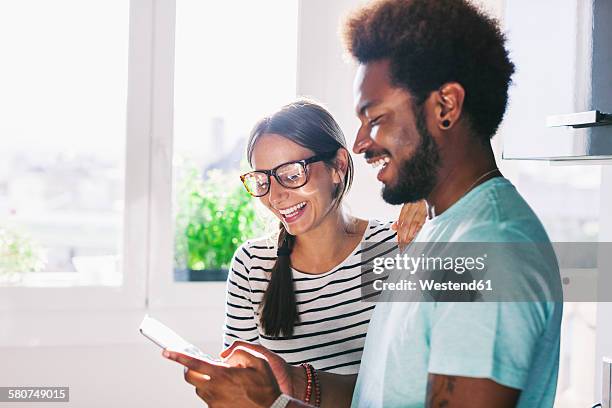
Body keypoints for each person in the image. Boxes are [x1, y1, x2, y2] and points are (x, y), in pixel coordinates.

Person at [163, 0, 563, 407]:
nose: (359, 144)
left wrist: (276, 405)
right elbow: (383, 393)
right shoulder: (438, 234)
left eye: (375, 118)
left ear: (445, 107)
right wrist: (296, 383)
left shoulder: (488, 248)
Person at [224, 99, 426, 376]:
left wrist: (441, 206)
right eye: (262, 180)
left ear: (338, 166)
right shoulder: (252, 264)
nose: (275, 197)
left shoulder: (396, 248)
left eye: (292, 174)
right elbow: (243, 386)